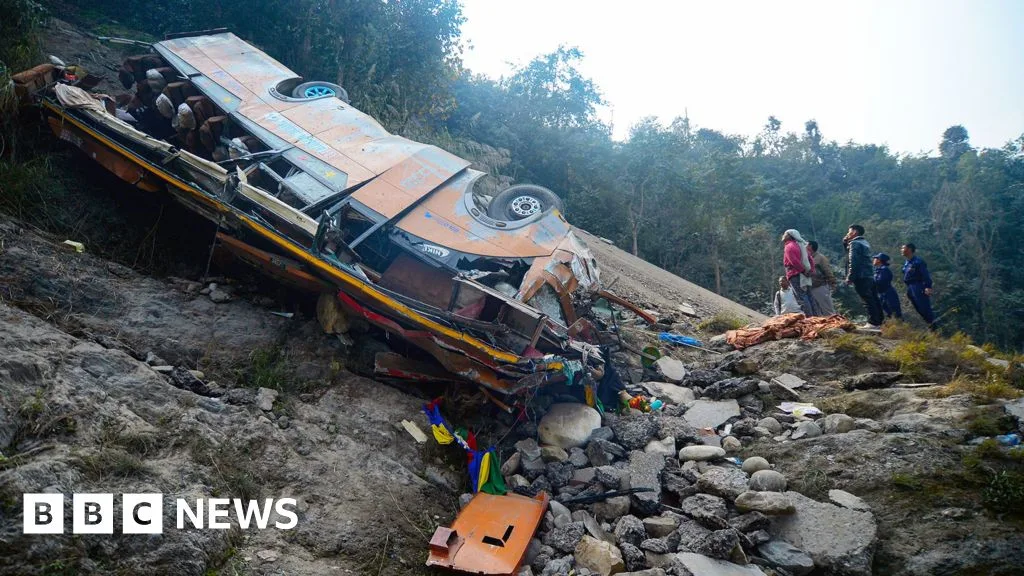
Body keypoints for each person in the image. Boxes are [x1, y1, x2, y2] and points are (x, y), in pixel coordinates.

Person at [843, 224, 884, 328]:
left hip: (861, 276)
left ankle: (873, 322)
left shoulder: (854, 243)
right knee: (873, 298)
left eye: (849, 231)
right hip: (869, 275)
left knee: (867, 299)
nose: (847, 233)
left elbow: (854, 261)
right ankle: (879, 321)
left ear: (854, 232)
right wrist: (845, 243)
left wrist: (850, 277)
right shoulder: (864, 242)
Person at [901, 243, 939, 329]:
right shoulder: (907, 262)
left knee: (924, 307)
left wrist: (928, 287)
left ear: (910, 249)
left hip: (918, 286)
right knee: (918, 308)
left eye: (903, 248)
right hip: (910, 287)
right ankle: (930, 326)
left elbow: (925, 275)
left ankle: (934, 329)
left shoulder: (918, 262)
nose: (901, 250)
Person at [781, 229, 815, 315]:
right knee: (809, 296)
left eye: (785, 234)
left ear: (789, 236)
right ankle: (815, 316)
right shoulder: (801, 246)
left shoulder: (789, 246)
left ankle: (809, 318)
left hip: (795, 274)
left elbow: (793, 261)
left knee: (801, 297)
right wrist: (811, 271)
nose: (783, 235)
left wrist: (802, 271)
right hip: (805, 275)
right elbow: (810, 259)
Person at [807, 241, 837, 316]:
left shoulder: (820, 258)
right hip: (811, 287)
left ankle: (835, 325)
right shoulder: (807, 259)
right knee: (817, 310)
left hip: (821, 286)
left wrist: (832, 282)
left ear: (810, 246)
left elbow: (827, 270)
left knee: (827, 308)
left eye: (806, 245)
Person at [872, 253, 902, 319]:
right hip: (882, 293)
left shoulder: (884, 270)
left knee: (894, 312)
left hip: (888, 293)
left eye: (875, 258)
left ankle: (899, 327)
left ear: (879, 260)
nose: (873, 260)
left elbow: (880, 282)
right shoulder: (879, 270)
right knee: (888, 313)